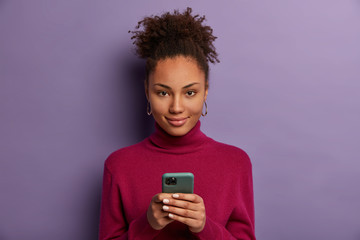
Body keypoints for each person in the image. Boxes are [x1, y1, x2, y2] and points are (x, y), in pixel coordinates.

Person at [99, 8, 256, 240]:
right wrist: (147, 224)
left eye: (190, 92)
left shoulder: (236, 163)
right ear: (147, 92)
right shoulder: (119, 166)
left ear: (205, 92)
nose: (176, 107)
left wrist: (204, 227)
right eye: (163, 93)